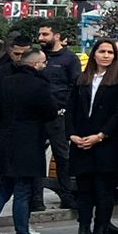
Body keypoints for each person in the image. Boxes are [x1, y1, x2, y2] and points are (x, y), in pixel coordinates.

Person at [0, 49, 57, 234]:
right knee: (22, 191)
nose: (45, 66)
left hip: (5, 143)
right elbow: (50, 112)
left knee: (4, 190)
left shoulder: (6, 82)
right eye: (43, 63)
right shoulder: (40, 85)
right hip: (28, 144)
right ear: (35, 64)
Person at [66, 38, 118, 234]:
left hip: (106, 145)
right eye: (101, 51)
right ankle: (84, 233)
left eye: (110, 52)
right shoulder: (82, 79)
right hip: (81, 143)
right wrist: (72, 135)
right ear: (94, 54)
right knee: (84, 193)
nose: (105, 55)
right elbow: (71, 110)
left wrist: (101, 136)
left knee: (103, 193)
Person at [33, 21, 81, 212]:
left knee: (62, 156)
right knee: (36, 157)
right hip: (38, 115)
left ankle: (66, 195)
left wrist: (66, 109)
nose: (41, 38)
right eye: (40, 35)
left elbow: (75, 86)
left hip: (59, 115)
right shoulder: (38, 57)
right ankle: (36, 199)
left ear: (57, 36)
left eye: (45, 34)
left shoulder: (69, 59)